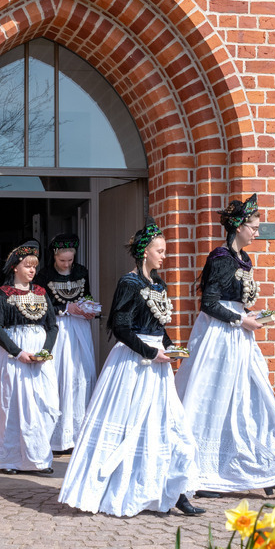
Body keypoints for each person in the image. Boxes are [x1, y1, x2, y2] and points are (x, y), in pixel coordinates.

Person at [58, 220, 204, 517]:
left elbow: (159, 326)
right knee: (130, 426)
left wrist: (171, 347)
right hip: (133, 364)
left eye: (164, 251)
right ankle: (120, 489)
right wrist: (151, 352)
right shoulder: (129, 283)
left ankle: (173, 491)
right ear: (145, 252)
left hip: (158, 363)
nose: (164, 256)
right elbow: (120, 327)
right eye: (159, 251)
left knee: (171, 427)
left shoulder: (159, 284)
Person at [175, 194, 275, 496]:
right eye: (253, 226)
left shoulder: (243, 259)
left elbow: (237, 301)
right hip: (219, 337)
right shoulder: (220, 258)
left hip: (240, 336)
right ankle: (205, 472)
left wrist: (252, 316)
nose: (256, 231)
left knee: (257, 396)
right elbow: (209, 304)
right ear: (238, 227)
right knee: (212, 399)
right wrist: (241, 320)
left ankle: (265, 468)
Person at [0, 241, 60, 475]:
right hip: (12, 355)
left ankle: (39, 458)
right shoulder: (2, 295)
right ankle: (10, 459)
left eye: (34, 266)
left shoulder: (41, 293)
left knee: (44, 404)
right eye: (27, 265)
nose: (32, 270)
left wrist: (45, 351)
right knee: (13, 404)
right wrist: (17, 352)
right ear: (15, 267)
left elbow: (53, 326)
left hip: (39, 356)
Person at [34, 233, 98, 452]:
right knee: (61, 374)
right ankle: (57, 436)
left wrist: (89, 307)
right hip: (58, 328)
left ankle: (78, 435)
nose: (67, 264)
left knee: (81, 374)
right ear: (55, 256)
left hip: (80, 326)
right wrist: (65, 309)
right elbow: (40, 305)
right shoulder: (44, 275)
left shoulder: (81, 271)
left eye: (70, 260)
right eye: (63, 260)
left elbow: (86, 294)